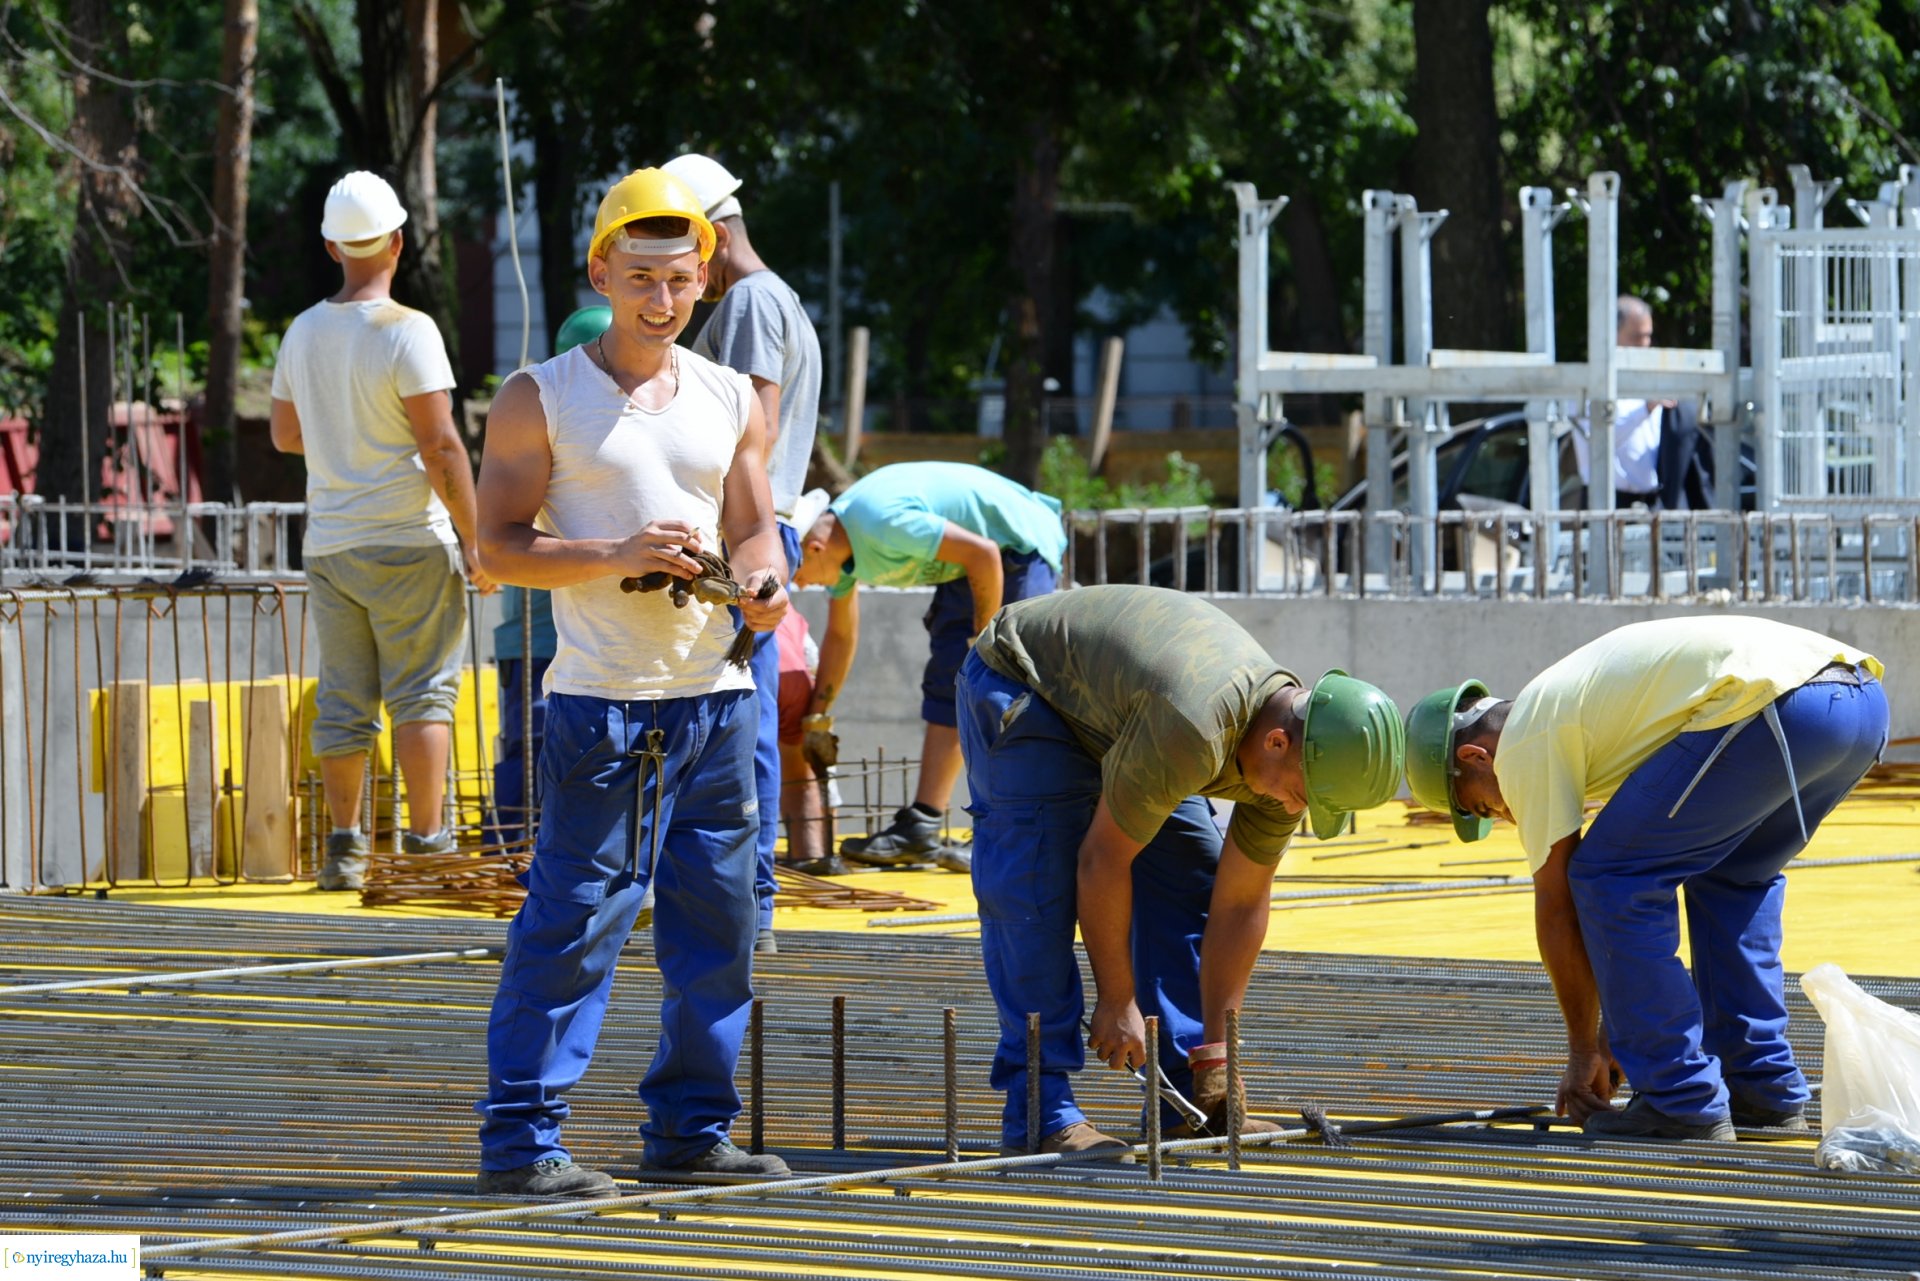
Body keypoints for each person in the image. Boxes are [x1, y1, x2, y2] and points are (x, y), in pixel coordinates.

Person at [471, 168, 791, 1197]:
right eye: (641, 277)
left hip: (717, 705)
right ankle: (523, 1143)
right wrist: (617, 551)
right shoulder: (541, 398)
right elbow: (498, 550)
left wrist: (764, 584)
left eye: (682, 279)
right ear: (602, 271)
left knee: (724, 925)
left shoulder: (731, 397)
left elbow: (752, 523)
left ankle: (692, 1132)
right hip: (604, 707)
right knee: (574, 925)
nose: (662, 300)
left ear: (705, 277)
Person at [958, 585, 1405, 1159]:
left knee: (1191, 873)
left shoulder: (1293, 757)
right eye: (1301, 795)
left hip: (1127, 712)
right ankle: (1041, 1113)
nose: (1296, 810)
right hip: (1026, 683)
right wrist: (1116, 999)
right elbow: (1102, 861)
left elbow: (1239, 904)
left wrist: (1218, 1053)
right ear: (1274, 742)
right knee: (1036, 894)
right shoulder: (1194, 727)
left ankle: (1189, 1100)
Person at [1404, 617, 1887, 1141]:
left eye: (1485, 806)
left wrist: (1584, 1049)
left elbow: (1561, 901)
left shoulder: (1525, 742)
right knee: (1731, 879)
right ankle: (1760, 1092)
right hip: (1857, 702)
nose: (1505, 816)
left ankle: (1681, 1098)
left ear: (1474, 757)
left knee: (1608, 877)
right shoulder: (1591, 719)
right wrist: (1623, 1025)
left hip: (1779, 705)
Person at [269, 170, 495, 891]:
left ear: (332, 245)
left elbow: (283, 434)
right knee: (423, 693)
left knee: (344, 698)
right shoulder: (410, 331)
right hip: (407, 537)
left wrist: (344, 439)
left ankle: (345, 847)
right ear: (397, 241)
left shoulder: (302, 332)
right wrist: (477, 536)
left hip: (331, 544)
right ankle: (426, 844)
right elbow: (440, 446)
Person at [665, 153, 823, 953]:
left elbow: (748, 430)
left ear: (713, 234)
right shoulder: (780, 298)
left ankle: (750, 902)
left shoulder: (756, 302)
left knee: (745, 716)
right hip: (757, 527)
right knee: (735, 711)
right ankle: (740, 897)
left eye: (685, 251)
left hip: (752, 529)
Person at [791, 460, 1067, 873]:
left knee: (1003, 694)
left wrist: (984, 647)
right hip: (966, 562)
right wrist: (819, 714)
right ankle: (923, 826)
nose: (800, 585)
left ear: (813, 548)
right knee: (950, 685)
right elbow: (841, 636)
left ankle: (1006, 834)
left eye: (799, 575)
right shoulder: (842, 555)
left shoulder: (882, 521)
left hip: (1015, 549)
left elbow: (984, 552)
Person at [488, 309, 608, 845]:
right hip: (546, 640)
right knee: (535, 746)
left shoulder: (544, 417)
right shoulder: (562, 428)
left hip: (554, 640)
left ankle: (517, 846)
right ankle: (514, 847)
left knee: (532, 745)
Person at [1573, 296, 1713, 509]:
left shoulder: (1652, 379)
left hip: (1652, 504)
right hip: (1606, 504)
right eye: (1635, 337)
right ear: (1609, 335)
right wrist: (1646, 408)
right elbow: (1596, 437)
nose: (1644, 345)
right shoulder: (1590, 382)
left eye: (1647, 336)